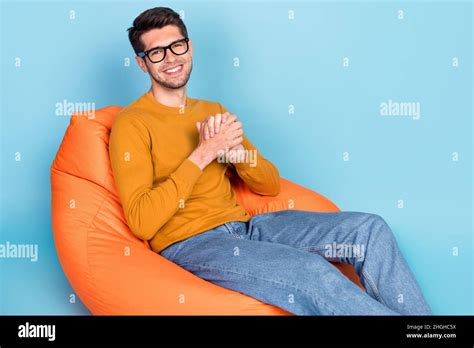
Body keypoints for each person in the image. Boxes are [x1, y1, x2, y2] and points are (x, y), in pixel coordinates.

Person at [108, 7, 432, 315]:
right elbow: (141, 221)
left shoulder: (212, 111)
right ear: (142, 63)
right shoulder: (132, 123)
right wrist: (203, 153)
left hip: (249, 230)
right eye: (156, 52)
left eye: (176, 46)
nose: (170, 59)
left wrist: (238, 157)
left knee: (368, 229)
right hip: (194, 244)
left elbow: (269, 184)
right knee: (310, 272)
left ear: (189, 47)